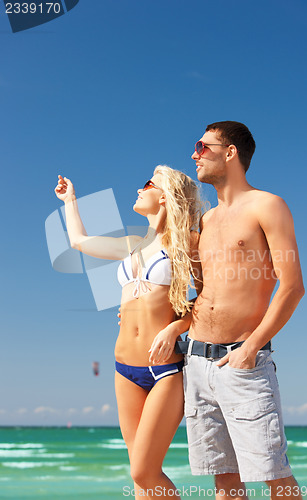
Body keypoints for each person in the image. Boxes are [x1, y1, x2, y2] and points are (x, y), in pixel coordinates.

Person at [154, 122, 305, 500]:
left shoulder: (267, 205)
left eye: (202, 147)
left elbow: (292, 286)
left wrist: (252, 347)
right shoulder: (204, 221)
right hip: (197, 363)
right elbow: (203, 292)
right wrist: (175, 327)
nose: (194, 155)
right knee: (224, 481)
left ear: (231, 152)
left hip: (241, 363)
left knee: (275, 477)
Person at [54, 166, 203, 500]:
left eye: (148, 184)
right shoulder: (134, 243)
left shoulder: (188, 243)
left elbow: (210, 297)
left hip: (164, 368)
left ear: (165, 196)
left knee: (143, 470)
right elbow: (79, 241)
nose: (139, 189)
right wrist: (70, 201)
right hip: (124, 368)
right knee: (139, 479)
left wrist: (176, 327)